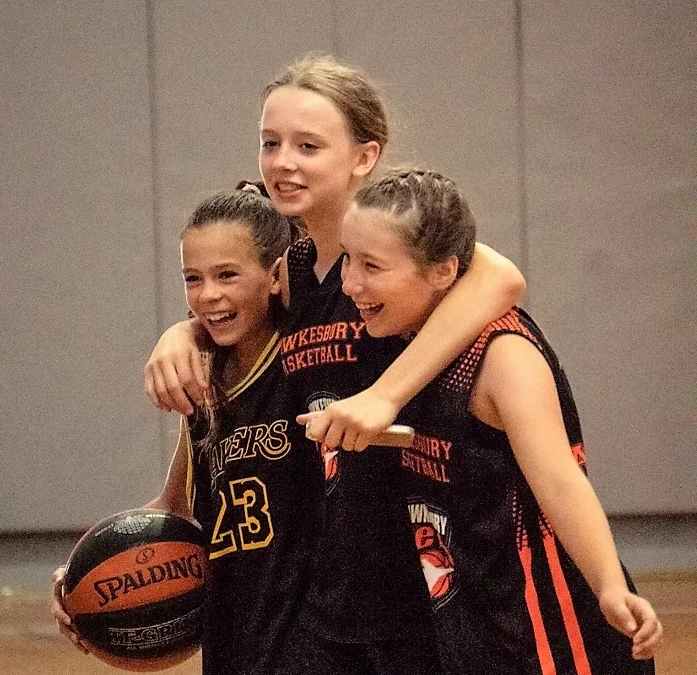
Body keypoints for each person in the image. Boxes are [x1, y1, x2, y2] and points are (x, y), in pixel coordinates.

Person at [143, 55, 525, 674]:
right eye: (271, 143)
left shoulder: (396, 245)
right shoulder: (292, 267)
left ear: (365, 156)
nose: (282, 162)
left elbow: (500, 275)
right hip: (330, 583)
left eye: (308, 145)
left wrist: (387, 394)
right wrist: (185, 331)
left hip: (433, 574)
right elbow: (229, 348)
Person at [327, 166, 663, 674]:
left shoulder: (501, 357)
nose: (350, 283)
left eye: (372, 266)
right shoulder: (405, 342)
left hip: (551, 632)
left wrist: (609, 584)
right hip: (472, 629)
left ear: (443, 271)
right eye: (348, 260)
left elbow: (559, 480)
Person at [52, 188, 322, 675]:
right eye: (192, 279)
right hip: (234, 643)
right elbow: (173, 509)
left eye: (227, 275)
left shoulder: (305, 361)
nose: (208, 295)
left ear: (276, 275)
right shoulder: (205, 387)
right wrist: (81, 578)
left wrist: (183, 330)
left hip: (311, 642)